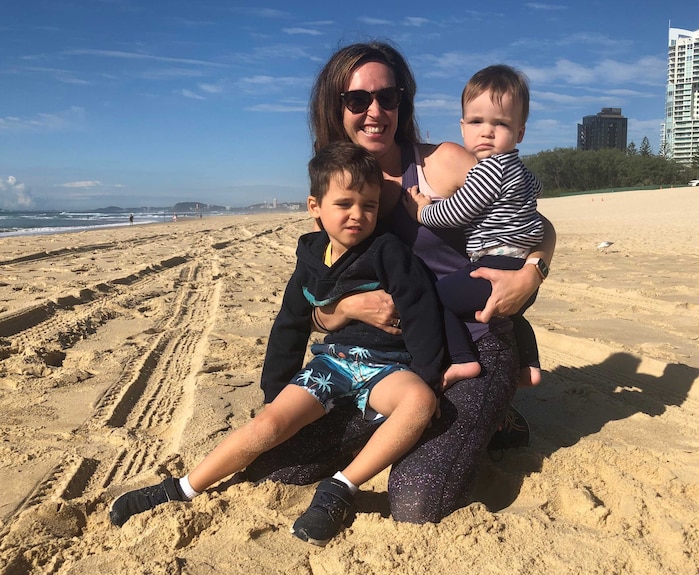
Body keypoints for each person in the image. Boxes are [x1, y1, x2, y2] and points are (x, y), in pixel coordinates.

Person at [241, 41, 556, 525]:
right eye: (357, 100)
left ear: (402, 104)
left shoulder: (442, 164)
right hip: (385, 365)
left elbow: (534, 223)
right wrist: (348, 311)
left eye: (388, 98)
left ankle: (496, 410)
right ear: (334, 107)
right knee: (283, 465)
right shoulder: (337, 188)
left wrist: (533, 272)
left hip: (469, 343)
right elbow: (318, 305)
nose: (375, 112)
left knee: (416, 501)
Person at [109, 141, 445, 547]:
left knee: (420, 403)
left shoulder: (388, 250)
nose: (358, 215)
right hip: (333, 363)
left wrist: (429, 373)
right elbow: (290, 323)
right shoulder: (309, 259)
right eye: (344, 204)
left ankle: (340, 487)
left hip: (387, 366)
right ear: (315, 206)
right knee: (268, 424)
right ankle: (180, 487)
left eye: (369, 206)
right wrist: (277, 388)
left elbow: (422, 307)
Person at [402, 64, 544, 388]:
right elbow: (537, 190)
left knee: (438, 298)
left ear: (519, 131)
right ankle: (530, 365)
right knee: (511, 313)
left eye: (501, 123)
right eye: (477, 122)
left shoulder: (487, 171)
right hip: (521, 266)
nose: (487, 131)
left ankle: (463, 360)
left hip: (494, 264)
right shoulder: (522, 171)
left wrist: (422, 211)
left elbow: (454, 213)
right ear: (463, 126)